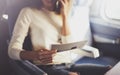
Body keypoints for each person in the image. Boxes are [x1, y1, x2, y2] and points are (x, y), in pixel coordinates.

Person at [8, 0, 81, 75]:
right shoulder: (28, 12)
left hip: (69, 64)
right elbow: (12, 51)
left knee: (93, 70)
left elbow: (69, 46)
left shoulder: (62, 12)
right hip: (48, 67)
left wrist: (65, 16)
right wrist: (35, 55)